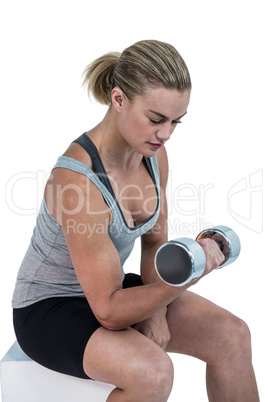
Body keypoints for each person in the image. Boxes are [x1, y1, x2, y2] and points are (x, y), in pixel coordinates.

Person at [12, 40, 259, 401]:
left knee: (232, 335)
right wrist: (191, 276)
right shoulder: (77, 182)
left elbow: (156, 243)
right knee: (153, 374)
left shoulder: (153, 156)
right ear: (118, 99)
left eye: (176, 122)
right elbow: (110, 311)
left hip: (107, 287)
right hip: (49, 308)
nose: (166, 134)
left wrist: (156, 310)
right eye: (156, 119)